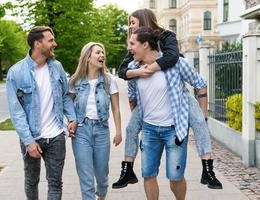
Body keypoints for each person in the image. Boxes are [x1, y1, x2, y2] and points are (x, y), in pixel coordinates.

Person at [113, 8, 222, 190]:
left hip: (177, 100)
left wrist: (153, 68)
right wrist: (139, 71)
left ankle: (208, 169)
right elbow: (124, 72)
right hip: (149, 126)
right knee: (132, 127)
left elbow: (173, 57)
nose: (130, 27)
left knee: (199, 121)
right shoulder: (134, 59)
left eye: (133, 22)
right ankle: (127, 169)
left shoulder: (167, 37)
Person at [6, 26, 77, 200]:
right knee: (31, 181)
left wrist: (72, 118)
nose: (55, 44)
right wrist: (29, 141)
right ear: (38, 44)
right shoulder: (16, 73)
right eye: (51, 40)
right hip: (31, 136)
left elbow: (65, 96)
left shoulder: (57, 67)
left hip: (56, 136)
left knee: (55, 183)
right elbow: (16, 112)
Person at [69, 42, 122, 200]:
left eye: (103, 53)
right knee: (86, 177)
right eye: (98, 53)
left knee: (102, 175)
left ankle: (101, 196)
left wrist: (118, 131)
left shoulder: (109, 80)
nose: (102, 56)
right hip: (81, 131)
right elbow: (66, 104)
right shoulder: (75, 81)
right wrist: (71, 120)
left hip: (101, 130)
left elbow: (116, 108)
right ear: (87, 57)